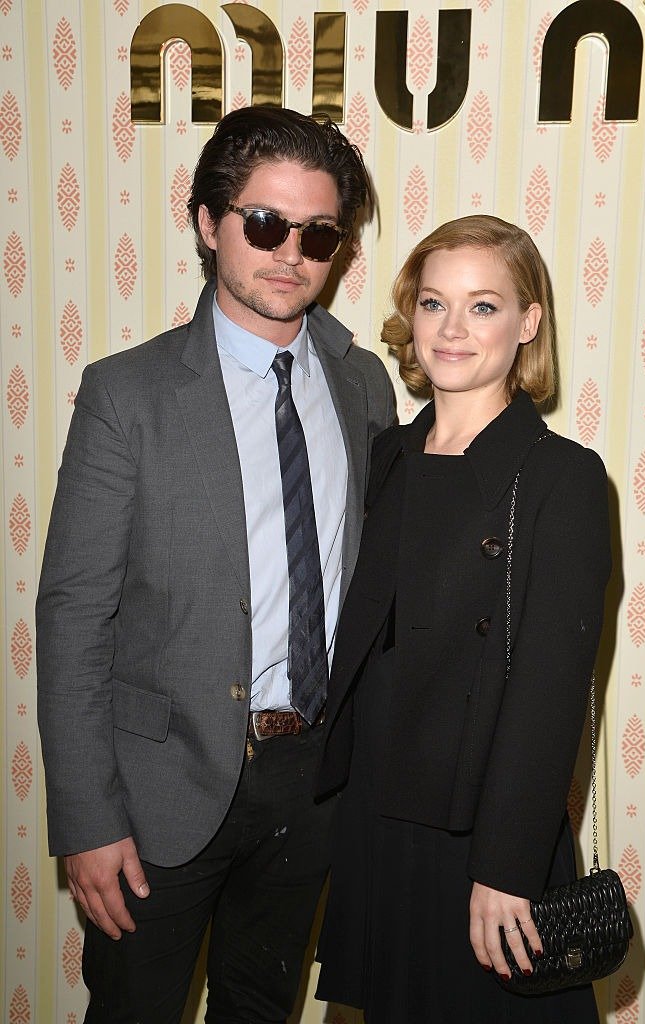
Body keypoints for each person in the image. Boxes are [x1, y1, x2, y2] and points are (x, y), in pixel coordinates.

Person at [36, 105, 395, 1024]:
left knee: (262, 1007)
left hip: (310, 781)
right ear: (207, 222)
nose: (292, 254)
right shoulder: (128, 395)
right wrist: (87, 817)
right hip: (160, 793)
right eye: (266, 224)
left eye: (318, 234)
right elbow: (75, 615)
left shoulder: (362, 383)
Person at [315, 215, 611, 1023]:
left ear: (529, 322)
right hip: (378, 818)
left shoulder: (562, 479)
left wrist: (508, 865)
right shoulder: (386, 460)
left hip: (478, 828)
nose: (452, 329)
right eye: (434, 303)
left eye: (484, 306)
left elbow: (551, 693)